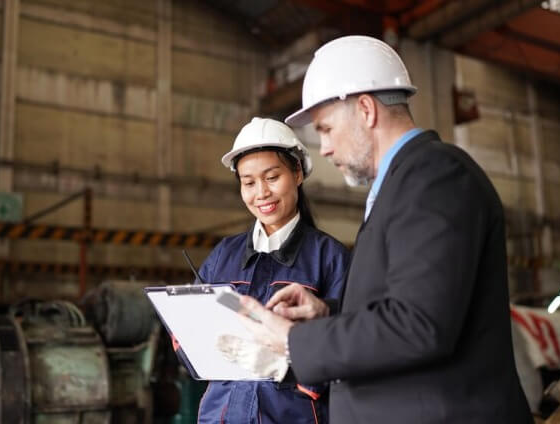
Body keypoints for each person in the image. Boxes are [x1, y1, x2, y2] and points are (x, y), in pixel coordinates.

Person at [224, 36, 533, 423]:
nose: (325, 148)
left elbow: (418, 325)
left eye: (326, 129)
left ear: (366, 110)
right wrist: (326, 312)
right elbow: (409, 304)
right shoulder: (400, 186)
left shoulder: (436, 177)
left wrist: (292, 340)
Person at [190, 117, 349, 423]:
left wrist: (284, 367)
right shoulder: (223, 256)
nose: (261, 192)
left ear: (297, 173)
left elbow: (347, 348)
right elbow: (187, 333)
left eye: (272, 177)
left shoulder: (330, 258)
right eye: (249, 183)